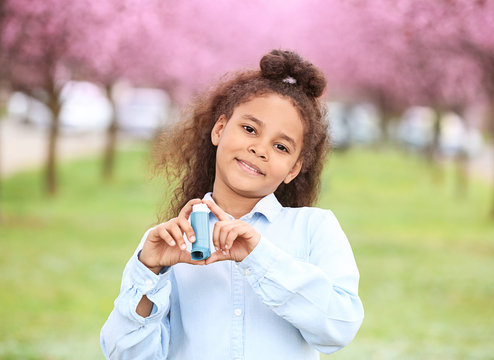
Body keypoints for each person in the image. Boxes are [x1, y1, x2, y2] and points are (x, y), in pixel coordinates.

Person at [100, 49, 364, 360]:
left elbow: (339, 328)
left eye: (281, 146)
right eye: (250, 129)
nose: (259, 149)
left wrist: (259, 256)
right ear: (219, 129)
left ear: (293, 168)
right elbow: (124, 355)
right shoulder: (173, 242)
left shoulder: (315, 228)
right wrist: (148, 271)